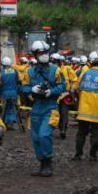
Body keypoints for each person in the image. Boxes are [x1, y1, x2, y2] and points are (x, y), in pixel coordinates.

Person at [22, 40, 66, 177]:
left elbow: (63, 86)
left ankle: (48, 163)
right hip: (36, 108)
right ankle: (42, 163)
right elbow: (23, 87)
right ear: (35, 55)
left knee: (44, 135)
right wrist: (32, 89)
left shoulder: (56, 70)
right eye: (41, 53)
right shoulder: (30, 72)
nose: (44, 55)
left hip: (50, 107)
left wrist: (50, 92)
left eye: (45, 52)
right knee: (35, 137)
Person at [73, 51, 98, 161]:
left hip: (83, 110)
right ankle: (92, 155)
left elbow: (76, 88)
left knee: (81, 132)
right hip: (97, 111)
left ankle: (78, 154)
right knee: (96, 133)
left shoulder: (84, 74)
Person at [0, 57, 21, 129]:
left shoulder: (1, 74)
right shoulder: (15, 72)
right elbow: (19, 82)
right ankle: (12, 123)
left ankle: (5, 124)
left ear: (3, 65)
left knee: (5, 109)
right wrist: (18, 92)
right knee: (12, 108)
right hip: (14, 93)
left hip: (5, 94)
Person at [57, 54, 77, 139]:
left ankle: (63, 130)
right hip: (54, 95)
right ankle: (56, 127)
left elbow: (74, 80)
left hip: (65, 95)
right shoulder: (50, 69)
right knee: (54, 113)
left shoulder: (67, 69)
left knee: (64, 113)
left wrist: (72, 89)